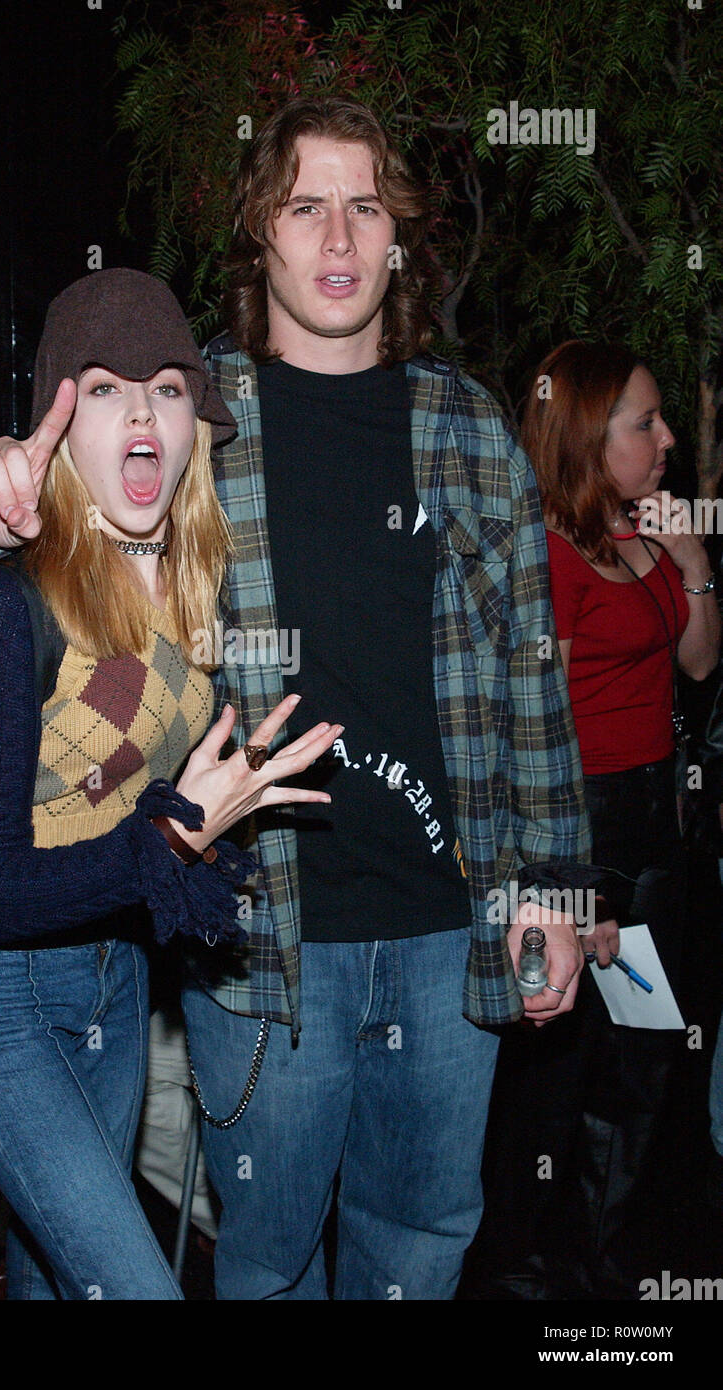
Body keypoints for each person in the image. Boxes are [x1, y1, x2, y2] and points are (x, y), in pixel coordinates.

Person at [0, 96, 593, 1300]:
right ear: (261, 235)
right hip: (265, 937)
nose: (337, 235)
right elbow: (28, 520)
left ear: (398, 240)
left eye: (366, 205)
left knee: (422, 1241)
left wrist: (557, 884)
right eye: (305, 205)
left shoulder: (475, 429)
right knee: (266, 1261)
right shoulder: (193, 411)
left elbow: (535, 678)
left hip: (451, 930)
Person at [0, 267, 340, 1301]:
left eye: (167, 388)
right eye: (103, 387)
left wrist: (190, 811)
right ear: (57, 427)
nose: (142, 410)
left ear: (197, 423)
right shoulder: (8, 602)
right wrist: (179, 838)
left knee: (54, 1274)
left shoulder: (198, 587)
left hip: (109, 972)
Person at [473, 340, 719, 1298]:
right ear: (585, 436)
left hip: (655, 832)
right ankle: (522, 1279)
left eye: (662, 419)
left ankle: (599, 1276)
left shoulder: (648, 535)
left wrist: (693, 558)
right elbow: (523, 726)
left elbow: (698, 666)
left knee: (643, 1065)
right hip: (574, 840)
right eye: (644, 423)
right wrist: (566, 886)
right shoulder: (544, 553)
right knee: (550, 1084)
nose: (666, 441)